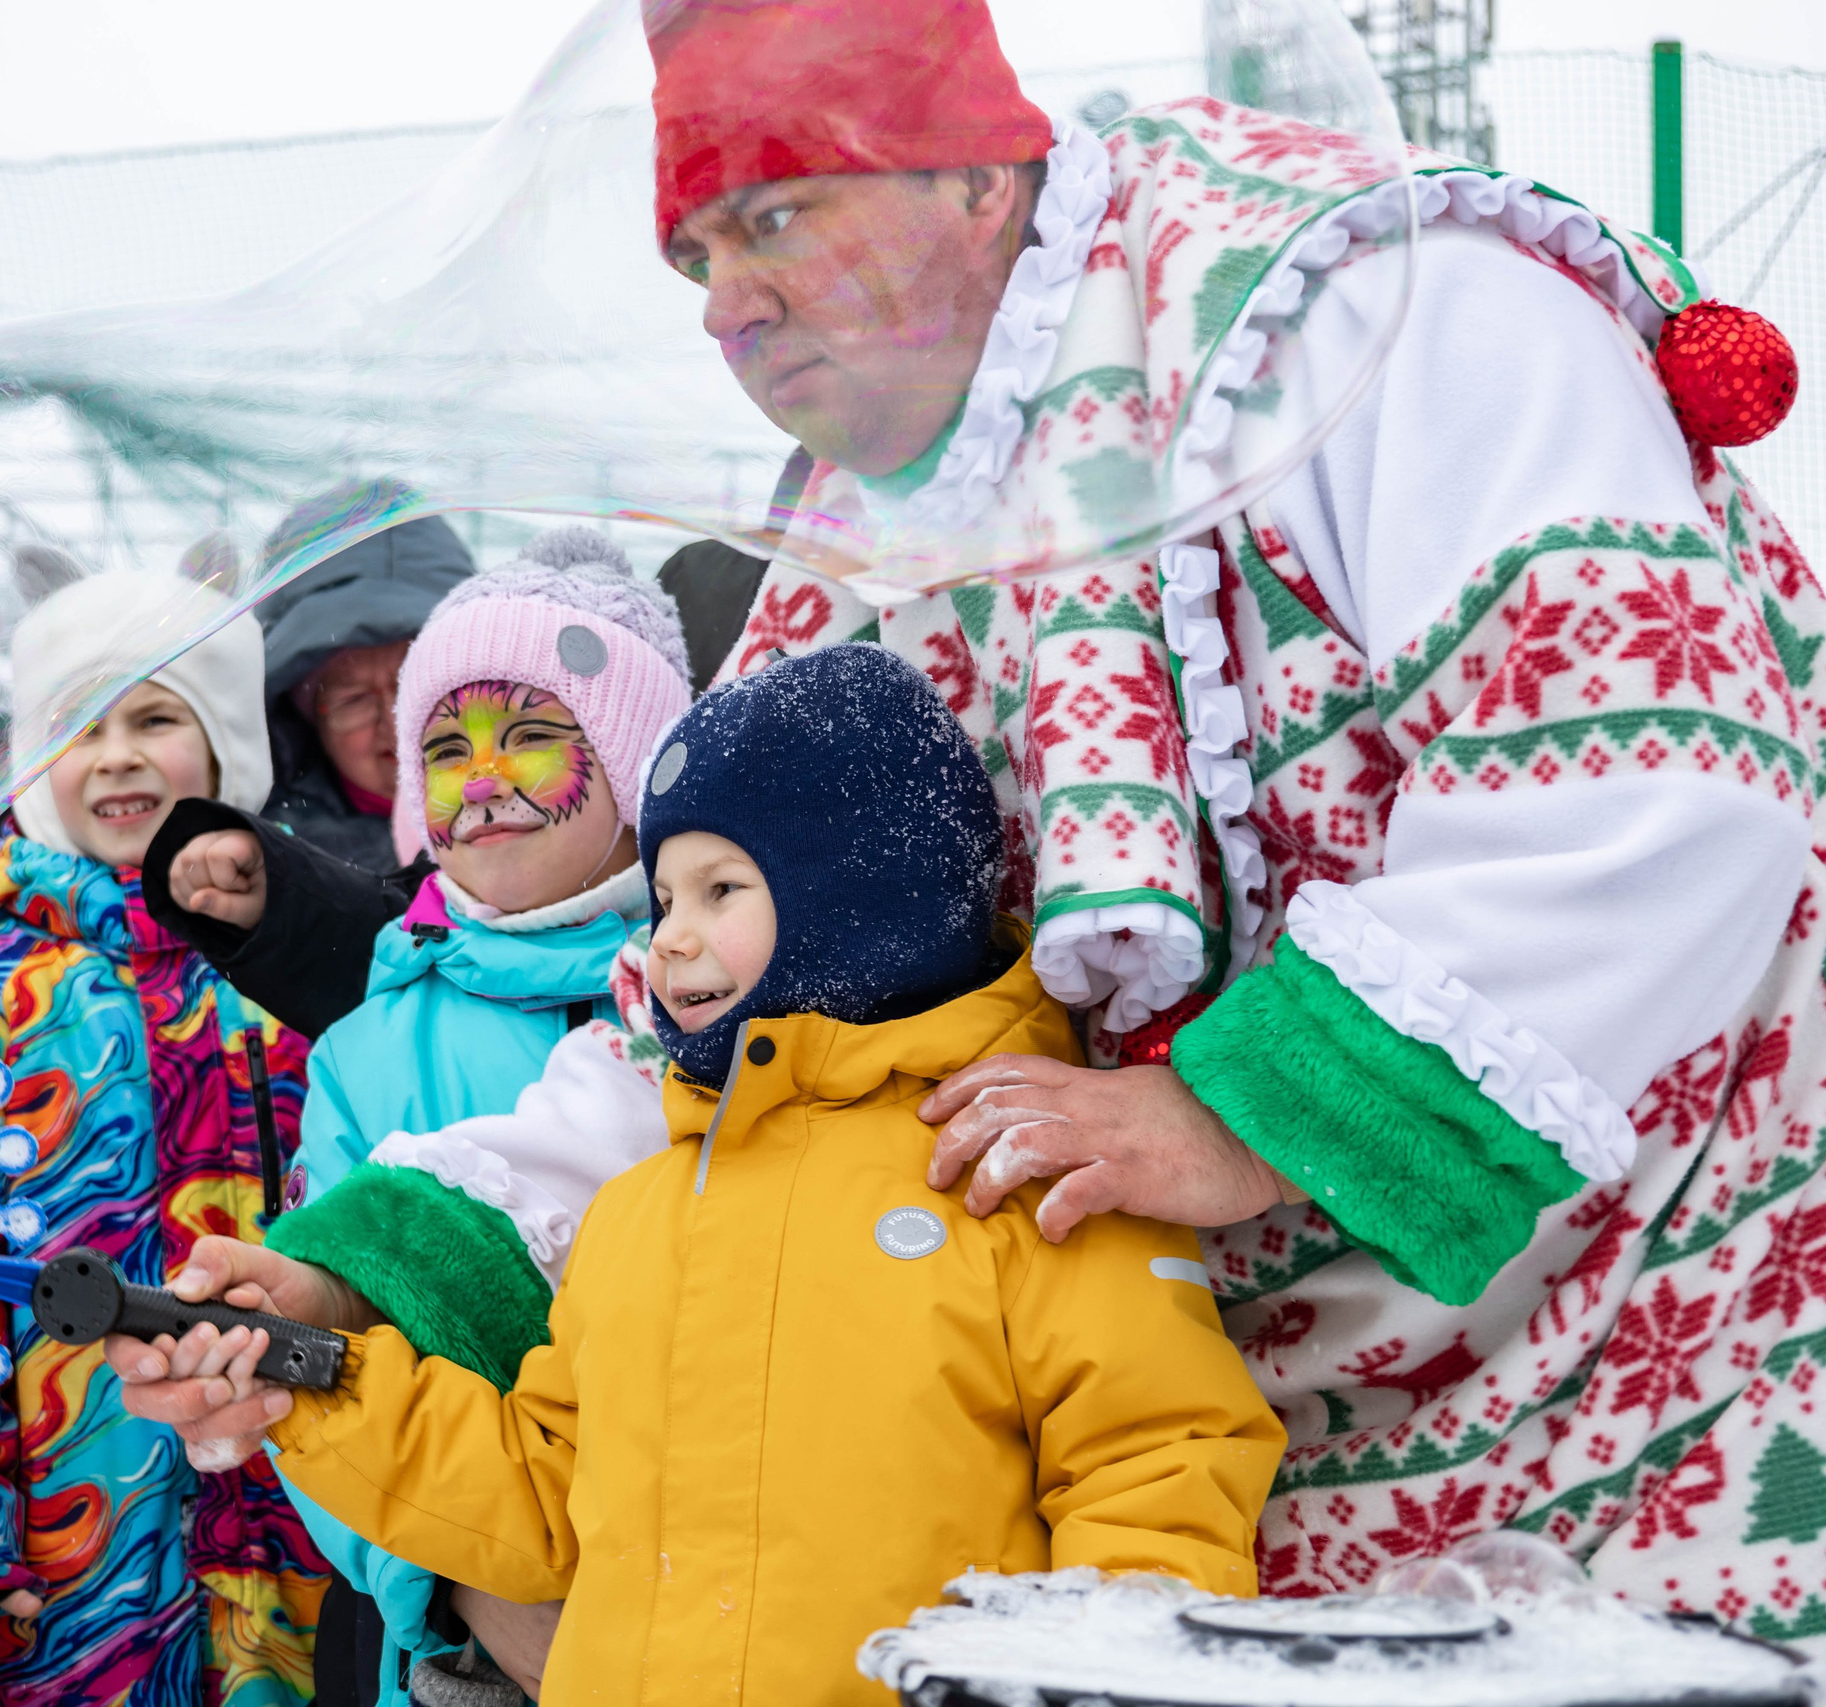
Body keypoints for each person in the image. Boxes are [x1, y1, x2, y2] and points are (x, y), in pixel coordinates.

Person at [643, 0, 1826, 1620]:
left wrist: (1236, 1114)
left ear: (978, 178)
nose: (731, 306)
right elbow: (760, 952)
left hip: (1667, 1325)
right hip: (1238, 1432)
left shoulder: (1358, 306)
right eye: (694, 258)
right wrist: (396, 1267)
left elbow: (1655, 782)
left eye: (773, 217)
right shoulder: (874, 522)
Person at [118, 645, 1284, 1706]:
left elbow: (1155, 1467)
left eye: (721, 891)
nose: (667, 940)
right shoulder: (640, 1214)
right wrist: (321, 1386)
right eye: (664, 895)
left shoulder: (1022, 1169)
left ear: (860, 891)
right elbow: (540, 1497)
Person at [184, 526, 687, 1704]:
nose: (486, 781)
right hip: (491, 1634)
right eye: (446, 750)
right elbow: (319, 1350)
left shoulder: (724, 979)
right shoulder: (369, 1049)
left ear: (636, 758)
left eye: (533, 737)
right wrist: (465, 1597)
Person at [0, 569, 326, 1707]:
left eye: (156, 716)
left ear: (224, 750)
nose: (116, 754)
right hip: (70, 1571)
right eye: (82, 727)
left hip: (303, 1539)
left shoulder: (296, 971)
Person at [255, 510, 476, 872]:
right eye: (353, 699)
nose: (397, 722)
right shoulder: (265, 862)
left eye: (416, 684)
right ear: (306, 724)